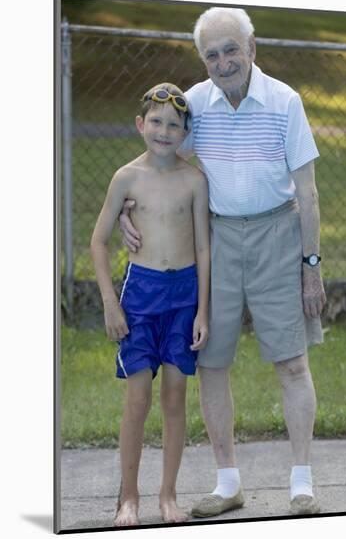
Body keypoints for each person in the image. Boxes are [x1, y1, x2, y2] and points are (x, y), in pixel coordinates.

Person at [119, 7, 326, 517]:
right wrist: (126, 205)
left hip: (279, 233)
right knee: (211, 362)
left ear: (252, 48)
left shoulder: (285, 102)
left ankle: (302, 483)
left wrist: (311, 265)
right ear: (202, 59)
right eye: (211, 54)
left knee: (293, 362)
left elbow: (309, 191)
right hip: (214, 241)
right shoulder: (195, 104)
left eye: (231, 49)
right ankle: (227, 483)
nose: (223, 61)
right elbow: (158, 158)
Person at [90, 82, 210, 526]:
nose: (163, 130)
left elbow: (203, 250)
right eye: (156, 122)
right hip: (139, 296)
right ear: (141, 125)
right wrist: (109, 302)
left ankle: (168, 494)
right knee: (137, 400)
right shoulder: (126, 178)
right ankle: (129, 498)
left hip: (184, 296)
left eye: (173, 124)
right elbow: (99, 242)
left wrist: (202, 310)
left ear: (185, 133)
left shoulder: (194, 180)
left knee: (175, 397)